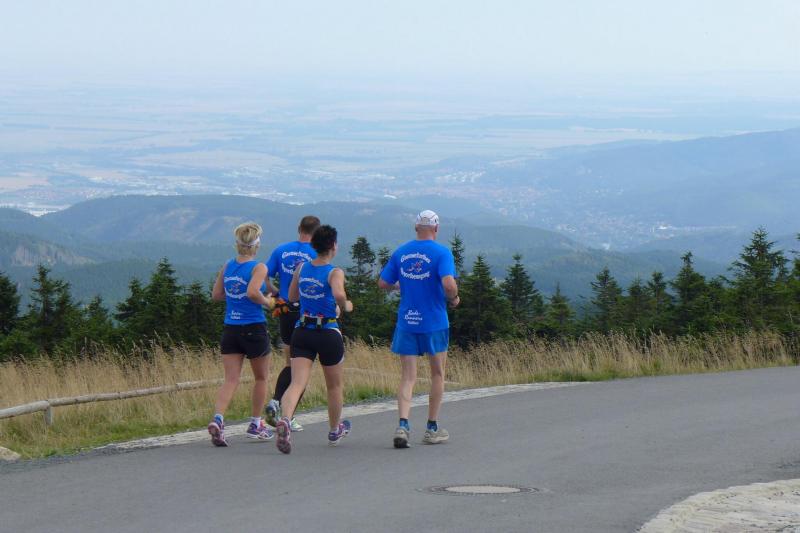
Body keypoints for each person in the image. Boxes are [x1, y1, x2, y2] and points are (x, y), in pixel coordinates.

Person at [378, 210, 460, 448]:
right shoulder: (442, 253)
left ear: (416, 227)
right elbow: (448, 284)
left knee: (408, 377)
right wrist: (454, 299)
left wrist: (400, 286)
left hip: (407, 321)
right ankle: (431, 428)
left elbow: (383, 282)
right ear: (436, 229)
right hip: (434, 322)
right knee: (437, 374)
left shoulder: (401, 252)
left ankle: (403, 426)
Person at [275, 224, 353, 454]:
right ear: (333, 246)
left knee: (297, 382)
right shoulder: (334, 272)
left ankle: (285, 419)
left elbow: (292, 296)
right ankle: (334, 429)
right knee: (334, 385)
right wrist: (345, 305)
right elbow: (338, 293)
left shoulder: (302, 268)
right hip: (327, 331)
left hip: (303, 330)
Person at [207, 222, 275, 446]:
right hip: (253, 326)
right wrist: (268, 302)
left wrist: (234, 298)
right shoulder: (259, 268)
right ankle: (256, 424)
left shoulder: (228, 265)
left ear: (237, 244)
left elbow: (216, 295)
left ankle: (218, 419)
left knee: (231, 379)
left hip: (231, 327)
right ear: (257, 245)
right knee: (261, 378)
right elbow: (253, 292)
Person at [264, 216, 320, 432]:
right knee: (301, 369)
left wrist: (275, 291)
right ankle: (288, 414)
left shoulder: (281, 250)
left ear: (299, 229)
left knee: (290, 363)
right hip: (305, 312)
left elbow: (264, 276)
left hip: (285, 310)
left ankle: (276, 402)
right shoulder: (316, 254)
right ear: (317, 232)